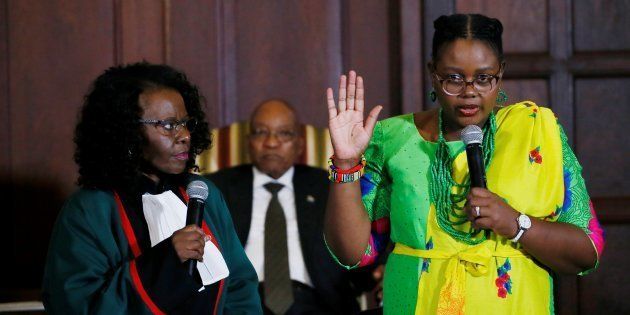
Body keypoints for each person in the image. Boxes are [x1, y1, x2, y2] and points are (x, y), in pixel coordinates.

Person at [323, 14, 604, 314]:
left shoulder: (536, 130)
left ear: (501, 73)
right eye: (454, 78)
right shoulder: (392, 138)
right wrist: (347, 163)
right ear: (433, 73)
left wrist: (515, 224)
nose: (469, 91)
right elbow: (353, 253)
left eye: (484, 78)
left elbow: (586, 251)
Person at [42, 62, 262, 314]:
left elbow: (240, 286)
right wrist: (166, 261)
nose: (185, 136)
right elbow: (74, 306)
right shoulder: (89, 210)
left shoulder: (204, 194)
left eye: (185, 123)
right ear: (127, 133)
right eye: (168, 125)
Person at [207, 99, 376, 314]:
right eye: (260, 132)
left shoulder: (329, 189)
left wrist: (376, 272)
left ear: (299, 145)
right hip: (242, 303)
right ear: (248, 141)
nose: (271, 142)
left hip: (316, 304)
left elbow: (357, 260)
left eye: (284, 133)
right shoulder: (217, 189)